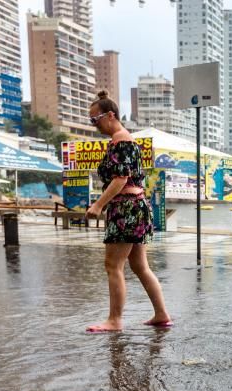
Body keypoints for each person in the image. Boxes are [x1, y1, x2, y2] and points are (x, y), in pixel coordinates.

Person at [84, 90, 172, 333]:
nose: (94, 124)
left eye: (95, 119)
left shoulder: (121, 140)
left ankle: (115, 320)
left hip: (126, 208)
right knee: (139, 265)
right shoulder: (125, 140)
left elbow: (120, 179)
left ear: (110, 115)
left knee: (113, 265)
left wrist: (98, 205)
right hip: (137, 207)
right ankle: (161, 313)